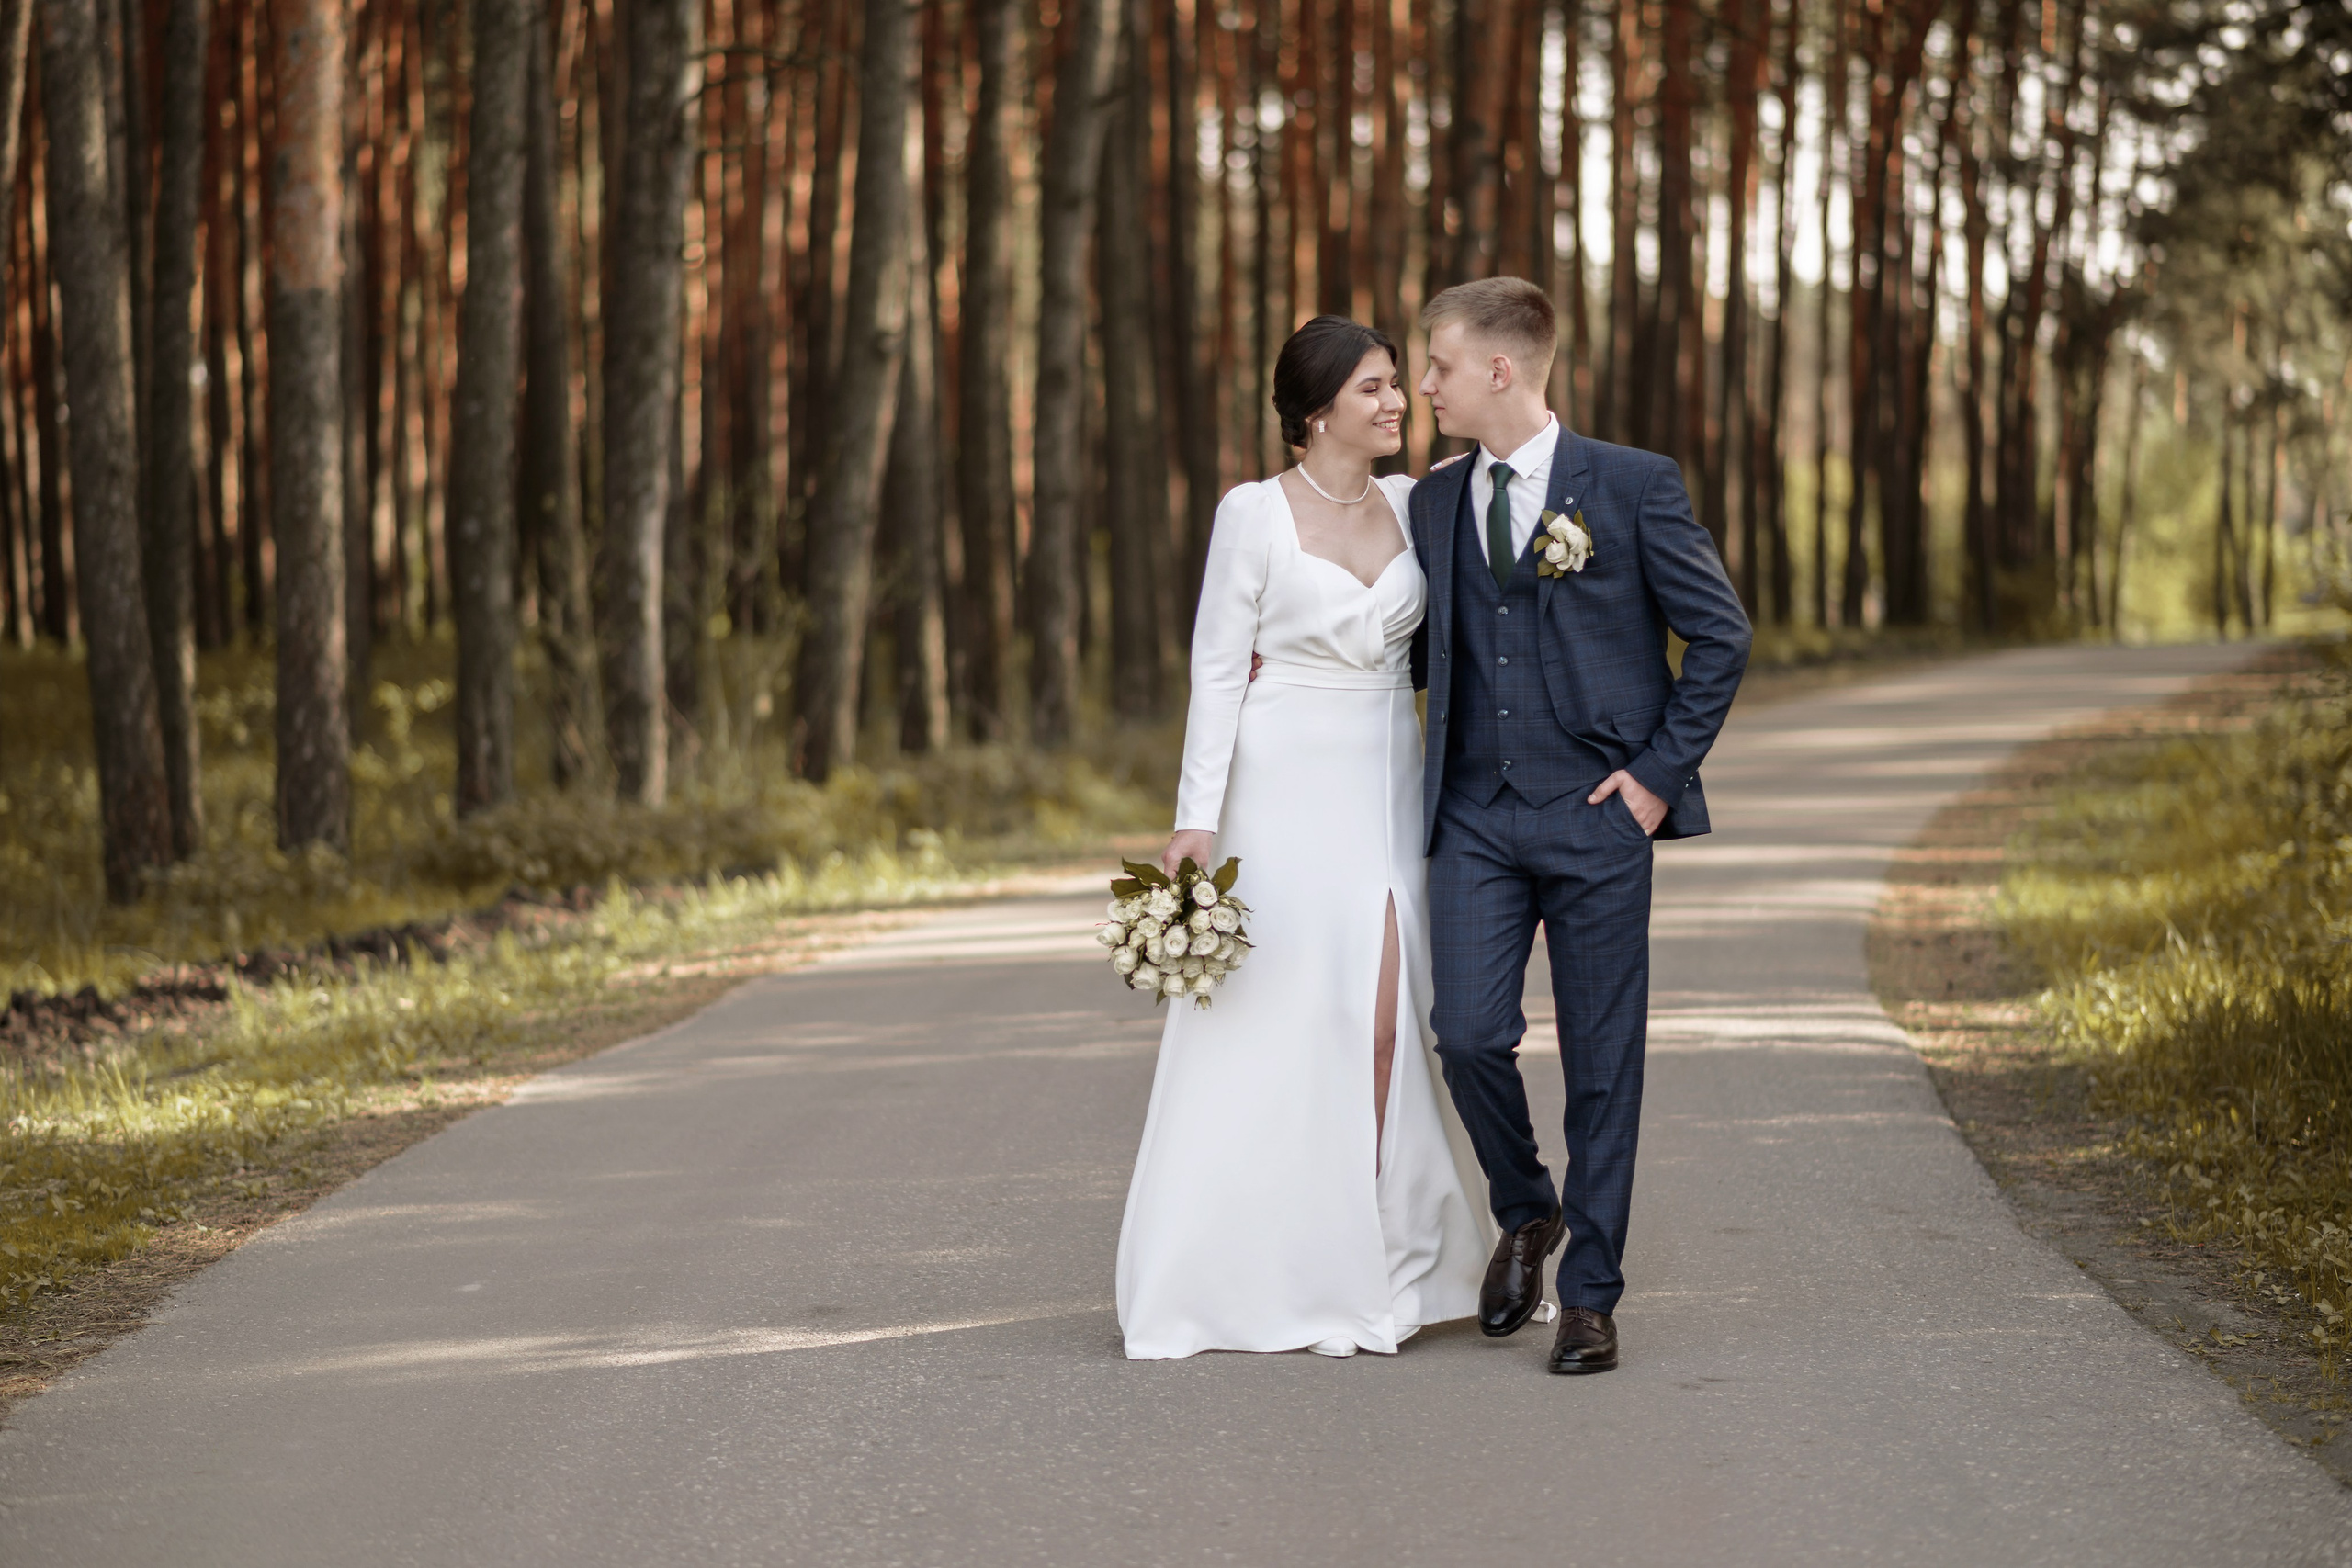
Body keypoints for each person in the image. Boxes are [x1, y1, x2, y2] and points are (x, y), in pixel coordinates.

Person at [1115, 316, 1492, 1360]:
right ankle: (1263, 1265)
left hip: (1388, 781)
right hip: (1281, 786)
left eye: (1395, 387)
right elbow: (1216, 669)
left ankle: (1380, 1250)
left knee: (1383, 1021)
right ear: (1317, 407)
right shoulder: (1253, 514)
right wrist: (1197, 818)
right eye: (1373, 388)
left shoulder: (1420, 504)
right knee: (1285, 1022)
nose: (1394, 403)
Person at [1408, 276, 1750, 1374]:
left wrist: (1655, 779)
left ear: (1499, 371)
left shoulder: (1633, 485)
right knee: (1464, 1033)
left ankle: (1593, 1295)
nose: (1423, 387)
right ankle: (1528, 1207)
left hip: (1599, 815)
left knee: (1603, 1062)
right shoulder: (1430, 499)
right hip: (1473, 814)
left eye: (1438, 367)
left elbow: (1719, 637)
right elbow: (1423, 647)